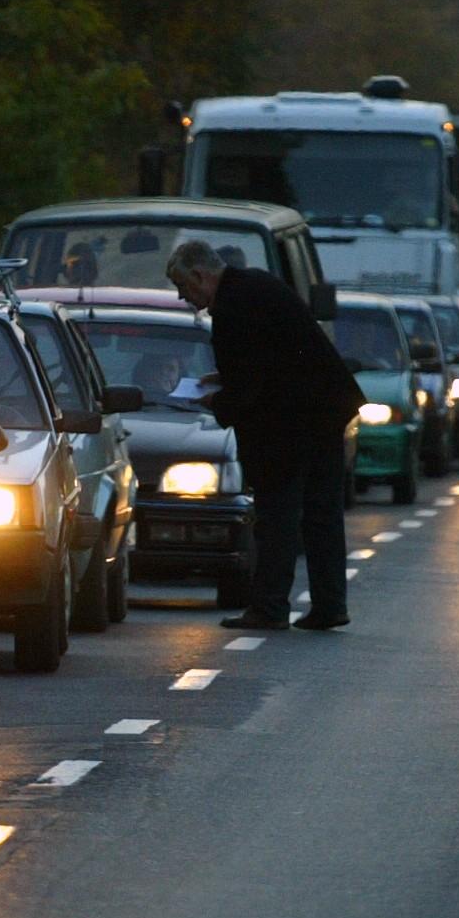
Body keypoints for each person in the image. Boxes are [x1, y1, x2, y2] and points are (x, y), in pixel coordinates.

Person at [166, 239, 362, 631]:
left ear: (201, 275)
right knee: (322, 515)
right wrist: (227, 381)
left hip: (290, 424)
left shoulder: (231, 307)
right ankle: (330, 604)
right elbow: (275, 357)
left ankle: (269, 607)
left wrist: (216, 401)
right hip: (323, 410)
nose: (183, 297)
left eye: (183, 287)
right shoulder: (257, 285)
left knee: (277, 515)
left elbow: (253, 383)